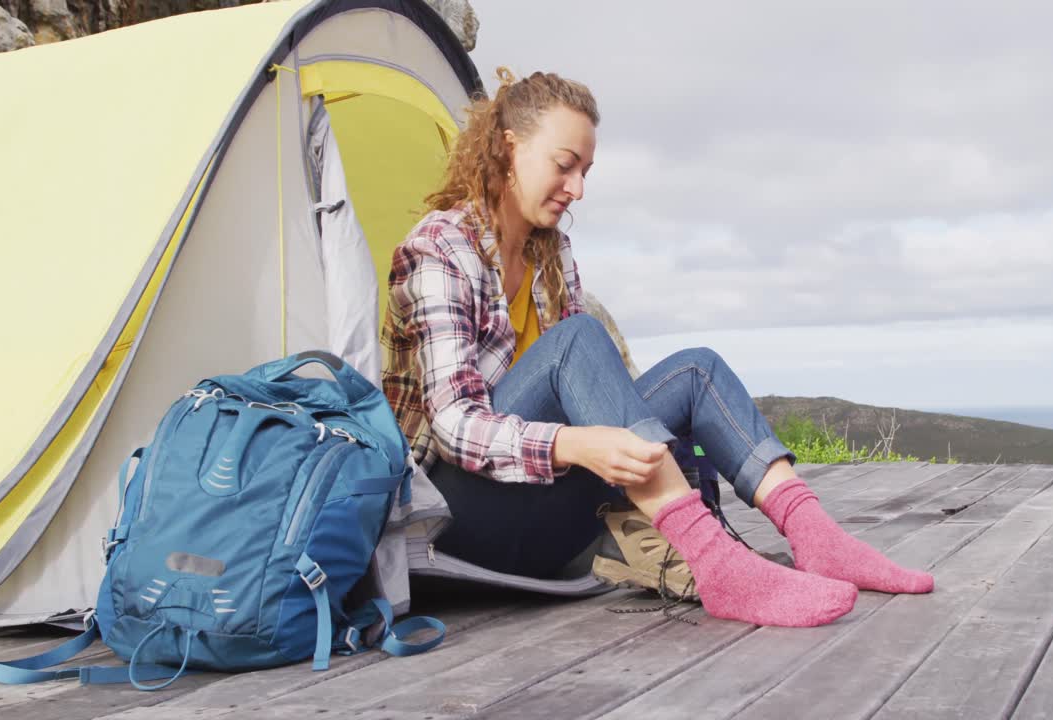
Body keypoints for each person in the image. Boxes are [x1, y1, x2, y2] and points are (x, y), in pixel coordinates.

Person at [380, 68, 933, 628]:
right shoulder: (442, 248)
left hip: (541, 512)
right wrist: (575, 444)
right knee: (578, 341)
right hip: (456, 522)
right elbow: (454, 426)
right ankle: (717, 565)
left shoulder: (553, 252)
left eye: (585, 171)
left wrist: (591, 444)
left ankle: (817, 539)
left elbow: (589, 396)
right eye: (563, 164)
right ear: (507, 148)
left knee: (698, 369)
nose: (577, 189)